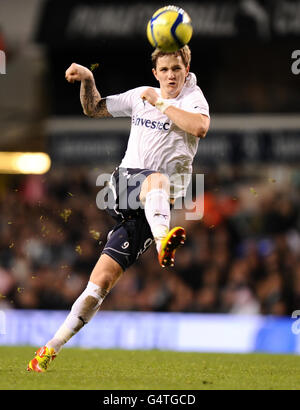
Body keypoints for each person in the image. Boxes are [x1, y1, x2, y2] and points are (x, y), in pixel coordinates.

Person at [27, 45, 210, 372]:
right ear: (155, 73)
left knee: (100, 284)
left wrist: (164, 104)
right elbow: (94, 108)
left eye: (176, 69)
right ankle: (163, 241)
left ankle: (49, 348)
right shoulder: (142, 95)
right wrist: (88, 77)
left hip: (151, 208)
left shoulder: (193, 100)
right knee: (156, 179)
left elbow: (199, 128)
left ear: (186, 69)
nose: (170, 75)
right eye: (164, 69)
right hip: (124, 183)